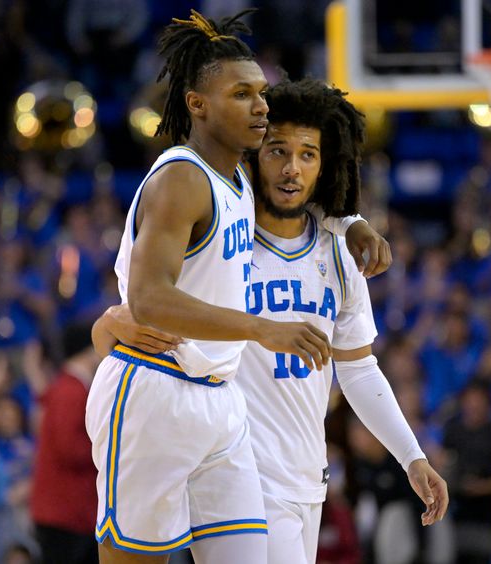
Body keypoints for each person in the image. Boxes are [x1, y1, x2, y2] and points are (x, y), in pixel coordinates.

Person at [94, 77, 448, 564]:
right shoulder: (226, 232)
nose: (291, 168)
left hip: (308, 474)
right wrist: (112, 321)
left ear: (326, 165)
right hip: (239, 466)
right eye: (277, 150)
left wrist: (412, 457)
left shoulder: (339, 250)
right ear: (253, 154)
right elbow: (147, 300)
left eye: (308, 155)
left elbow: (359, 367)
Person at [30, 323, 101, 564]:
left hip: (67, 510)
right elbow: (69, 449)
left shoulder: (69, 387)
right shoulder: (71, 390)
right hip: (65, 510)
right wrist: (106, 448)